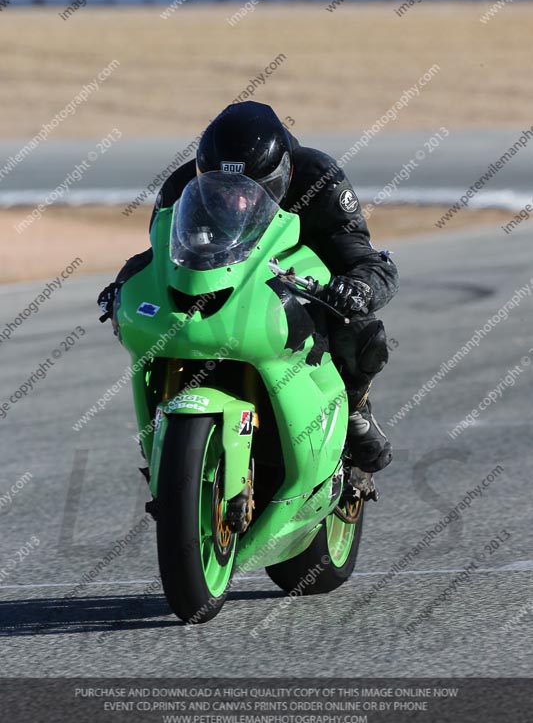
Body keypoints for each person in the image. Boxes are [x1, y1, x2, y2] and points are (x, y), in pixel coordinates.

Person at [98, 101, 399, 472]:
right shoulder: (180, 187)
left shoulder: (319, 178)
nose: (239, 199)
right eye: (223, 189)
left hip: (302, 279)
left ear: (283, 173)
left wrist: (357, 288)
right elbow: (159, 254)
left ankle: (354, 410)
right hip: (226, 279)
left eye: (254, 187)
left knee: (362, 332)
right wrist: (122, 285)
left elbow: (362, 256)